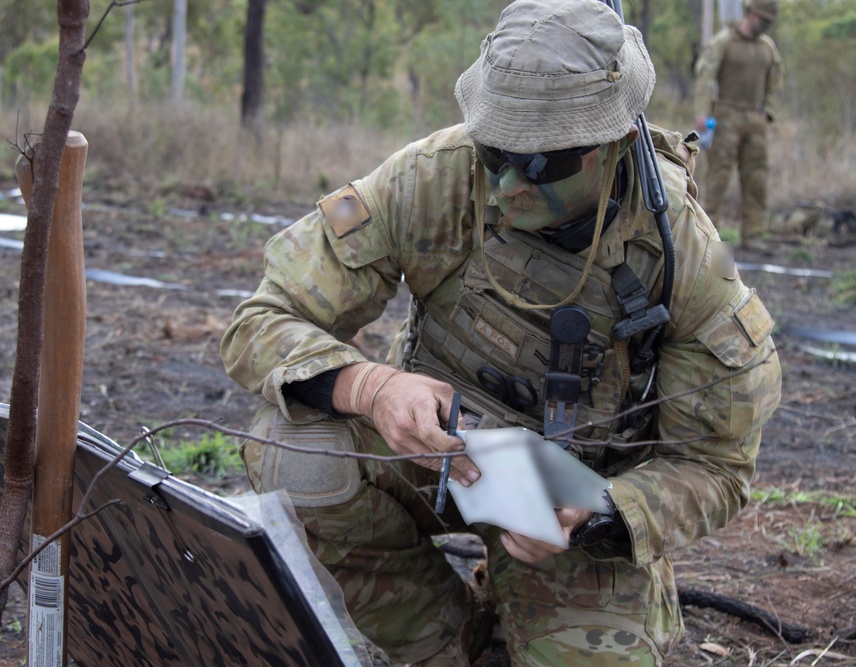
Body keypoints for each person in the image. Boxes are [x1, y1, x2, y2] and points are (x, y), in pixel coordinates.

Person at [221, 0, 782, 665]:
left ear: (615, 147)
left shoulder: (684, 260)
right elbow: (260, 320)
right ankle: (445, 640)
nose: (509, 184)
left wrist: (602, 509)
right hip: (429, 457)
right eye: (496, 153)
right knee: (294, 450)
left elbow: (718, 467)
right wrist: (370, 387)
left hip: (570, 516)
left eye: (543, 165)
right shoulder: (437, 177)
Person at [694, 0, 784, 254]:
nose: (766, 26)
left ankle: (753, 234)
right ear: (752, 14)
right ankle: (707, 234)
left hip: (756, 119)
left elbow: (776, 76)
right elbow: (705, 76)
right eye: (763, 20)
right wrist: (702, 112)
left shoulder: (767, 47)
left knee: (757, 178)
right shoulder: (724, 41)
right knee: (718, 177)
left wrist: (769, 110)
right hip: (726, 116)